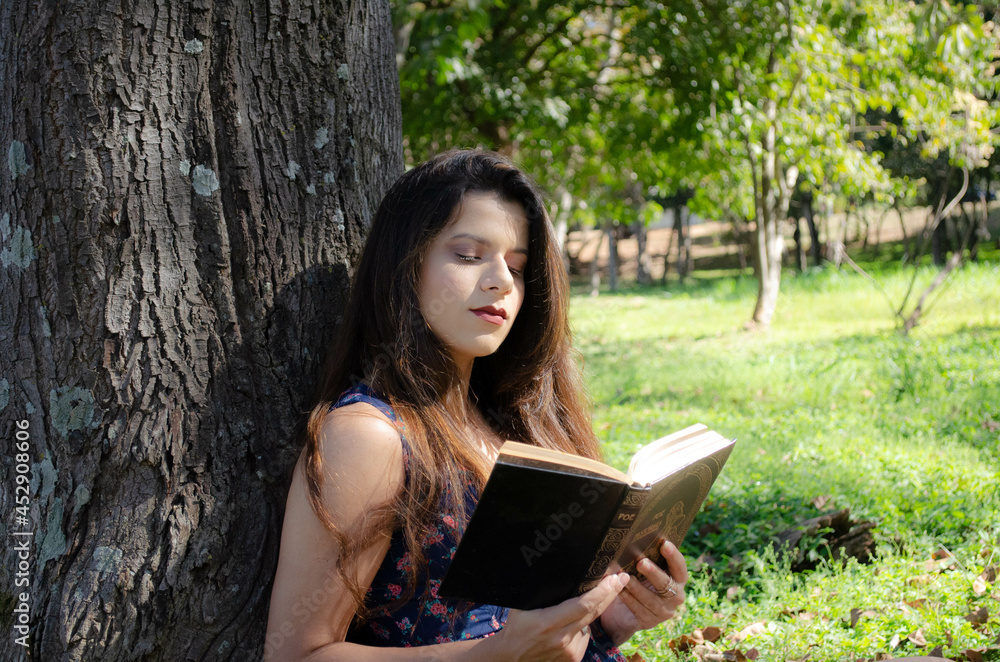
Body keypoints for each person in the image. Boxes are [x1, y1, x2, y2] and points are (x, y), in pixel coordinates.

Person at [265, 149, 688, 661]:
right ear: (404, 265)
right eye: (467, 255)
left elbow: (527, 630)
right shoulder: (370, 436)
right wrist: (496, 654)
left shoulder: (513, 419)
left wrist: (609, 621)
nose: (502, 282)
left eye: (517, 266)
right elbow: (295, 655)